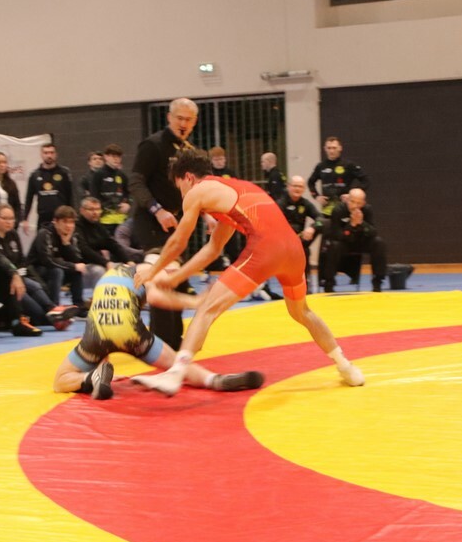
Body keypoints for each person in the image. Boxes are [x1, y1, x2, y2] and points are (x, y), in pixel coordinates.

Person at [134, 148, 365, 396]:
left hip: (266, 249)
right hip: (294, 250)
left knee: (207, 309)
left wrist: (153, 271)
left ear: (188, 177)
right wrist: (176, 278)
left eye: (179, 186)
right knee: (302, 312)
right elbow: (213, 249)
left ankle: (175, 374)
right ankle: (346, 366)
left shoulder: (197, 191)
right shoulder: (232, 190)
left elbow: (178, 242)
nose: (181, 194)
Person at [55, 255, 263, 399]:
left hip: (96, 334)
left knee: (61, 380)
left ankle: (90, 377)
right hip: (130, 333)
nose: (173, 281)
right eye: (172, 273)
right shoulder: (145, 271)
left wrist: (101, 365)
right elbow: (155, 296)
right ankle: (214, 380)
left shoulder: (112, 275)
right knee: (177, 364)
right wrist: (194, 301)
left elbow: (103, 316)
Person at [129, 97, 198, 349]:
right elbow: (135, 181)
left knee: (177, 279)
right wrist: (157, 210)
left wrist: (208, 215)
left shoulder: (188, 150)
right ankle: (159, 343)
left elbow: (195, 188)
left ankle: (174, 340)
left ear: (194, 122)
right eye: (179, 118)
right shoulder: (153, 145)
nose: (183, 123)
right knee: (161, 276)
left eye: (188, 120)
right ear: (169, 118)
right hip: (150, 219)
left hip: (175, 221)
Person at [0, 203, 77, 333]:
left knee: (33, 284)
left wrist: (21, 277)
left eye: (12, 218)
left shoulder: (13, 234)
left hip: (15, 278)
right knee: (36, 311)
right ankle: (52, 317)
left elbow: (22, 262)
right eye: (5, 218)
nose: (9, 222)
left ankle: (53, 310)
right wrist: (14, 276)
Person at [322, 187, 389, 293]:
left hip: (361, 242)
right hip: (344, 243)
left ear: (363, 203)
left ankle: (378, 282)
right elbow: (336, 235)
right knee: (334, 245)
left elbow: (373, 232)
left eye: (359, 203)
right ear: (347, 200)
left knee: (379, 243)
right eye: (352, 202)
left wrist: (362, 223)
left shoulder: (367, 210)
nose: (355, 206)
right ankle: (329, 283)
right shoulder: (338, 210)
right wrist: (351, 225)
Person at [27, 204, 88, 308]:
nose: (69, 226)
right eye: (65, 222)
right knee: (57, 271)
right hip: (36, 270)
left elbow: (77, 260)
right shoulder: (45, 233)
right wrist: (72, 266)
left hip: (56, 268)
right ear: (55, 221)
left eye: (71, 222)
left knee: (77, 271)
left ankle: (79, 306)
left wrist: (66, 244)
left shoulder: (70, 236)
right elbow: (47, 261)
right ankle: (54, 306)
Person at [74, 196, 135, 295]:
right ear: (82, 210)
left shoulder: (98, 225)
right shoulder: (76, 227)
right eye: (91, 209)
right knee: (99, 271)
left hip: (99, 262)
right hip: (82, 266)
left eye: (98, 209)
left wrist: (128, 261)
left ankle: (126, 298)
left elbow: (113, 244)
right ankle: (99, 300)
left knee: (126, 269)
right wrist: (106, 263)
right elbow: (84, 249)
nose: (95, 212)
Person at [279, 175, 323, 291]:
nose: (297, 189)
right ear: (289, 187)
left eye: (300, 186)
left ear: (303, 189)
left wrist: (312, 228)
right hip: (283, 242)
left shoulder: (305, 204)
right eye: (295, 186)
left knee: (323, 225)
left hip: (300, 241)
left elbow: (320, 218)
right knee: (302, 250)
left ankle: (305, 283)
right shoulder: (281, 203)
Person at [307, 136, 370, 217]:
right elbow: (310, 182)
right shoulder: (321, 166)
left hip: (346, 208)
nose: (331, 151)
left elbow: (365, 180)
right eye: (329, 148)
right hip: (328, 210)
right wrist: (316, 196)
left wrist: (352, 195)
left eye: (334, 148)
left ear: (340, 148)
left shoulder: (348, 165)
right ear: (325, 149)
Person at [23, 142, 73, 233]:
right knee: (42, 240)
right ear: (41, 155)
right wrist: (25, 218)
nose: (49, 155)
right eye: (46, 153)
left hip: (61, 217)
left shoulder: (64, 173)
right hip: (43, 218)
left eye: (51, 152)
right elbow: (29, 198)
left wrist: (72, 216)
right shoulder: (35, 175)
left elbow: (71, 195)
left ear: (56, 154)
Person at [88, 143, 130, 234]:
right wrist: (107, 207)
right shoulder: (98, 175)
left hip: (121, 221)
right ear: (106, 157)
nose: (116, 159)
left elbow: (129, 193)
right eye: (113, 156)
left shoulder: (122, 175)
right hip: (104, 221)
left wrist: (127, 204)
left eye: (118, 157)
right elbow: (94, 196)